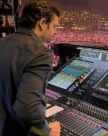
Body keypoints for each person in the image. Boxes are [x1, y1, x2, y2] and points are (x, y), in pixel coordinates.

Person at [0, 0, 61, 135]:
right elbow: (27, 108)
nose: (55, 31)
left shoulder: (2, 42)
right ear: (43, 23)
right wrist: (46, 132)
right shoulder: (41, 53)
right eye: (55, 26)